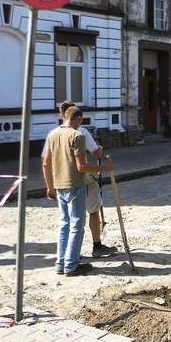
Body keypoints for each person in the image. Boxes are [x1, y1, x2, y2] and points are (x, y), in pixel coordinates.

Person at [42, 106, 114, 276]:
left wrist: (50, 186)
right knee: (76, 226)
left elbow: (46, 163)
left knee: (64, 225)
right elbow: (81, 166)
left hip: (60, 185)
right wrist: (106, 168)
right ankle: (71, 265)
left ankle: (60, 263)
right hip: (75, 185)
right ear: (78, 119)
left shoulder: (52, 135)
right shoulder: (77, 135)